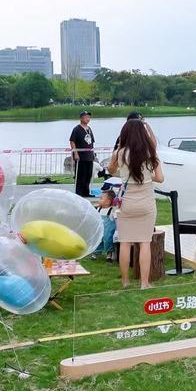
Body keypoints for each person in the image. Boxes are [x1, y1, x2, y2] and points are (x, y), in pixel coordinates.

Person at [108, 119, 164, 289]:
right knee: (144, 242)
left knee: (125, 242)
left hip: (126, 203)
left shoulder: (120, 153)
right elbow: (160, 178)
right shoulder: (150, 152)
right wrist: (147, 177)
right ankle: (144, 283)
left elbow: (111, 170)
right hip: (146, 202)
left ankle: (125, 281)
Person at [69, 111, 96, 198]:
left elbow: (92, 142)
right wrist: (75, 153)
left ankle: (86, 191)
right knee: (81, 175)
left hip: (89, 156)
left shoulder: (89, 129)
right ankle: (79, 192)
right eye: (85, 117)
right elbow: (72, 141)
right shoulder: (76, 129)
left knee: (88, 175)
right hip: (81, 156)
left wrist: (93, 153)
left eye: (89, 117)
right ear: (81, 118)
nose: (87, 119)